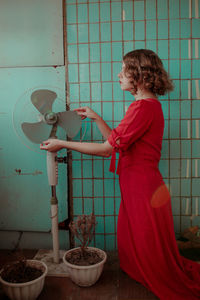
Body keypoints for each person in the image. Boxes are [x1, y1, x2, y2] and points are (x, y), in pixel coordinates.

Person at [40, 49, 200, 299]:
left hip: (142, 187)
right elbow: (116, 142)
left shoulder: (142, 109)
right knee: (139, 238)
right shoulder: (145, 106)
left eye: (124, 69)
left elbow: (106, 150)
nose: (119, 74)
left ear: (140, 74)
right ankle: (142, 273)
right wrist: (96, 117)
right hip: (138, 184)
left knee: (147, 242)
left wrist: (64, 144)